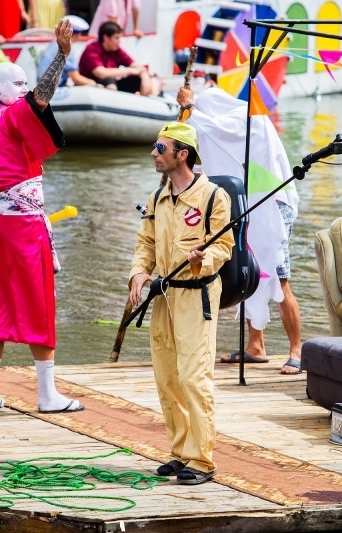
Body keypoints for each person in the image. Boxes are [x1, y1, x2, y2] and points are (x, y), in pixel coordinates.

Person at [0, 19, 84, 415]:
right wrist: (62, 55)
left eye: (24, 83)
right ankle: (47, 395)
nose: (24, 89)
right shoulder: (11, 115)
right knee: (39, 303)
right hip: (23, 226)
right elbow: (41, 98)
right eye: (17, 84)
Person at [128, 122, 234, 485]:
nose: (153, 153)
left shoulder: (214, 196)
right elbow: (146, 243)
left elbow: (224, 247)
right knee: (167, 376)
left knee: (194, 376)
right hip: (164, 295)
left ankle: (202, 459)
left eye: (160, 148)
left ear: (182, 154)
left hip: (196, 295)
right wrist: (138, 273)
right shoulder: (158, 197)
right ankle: (180, 451)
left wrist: (203, 258)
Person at [176, 87, 303, 374]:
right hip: (251, 206)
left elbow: (212, 133)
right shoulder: (232, 125)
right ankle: (256, 346)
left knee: (279, 279)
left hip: (273, 208)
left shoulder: (254, 122)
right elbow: (212, 142)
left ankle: (297, 351)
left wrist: (189, 107)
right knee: (248, 272)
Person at [78, 21, 158, 95]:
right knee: (110, 83)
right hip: (92, 86)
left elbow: (135, 66)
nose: (119, 41)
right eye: (116, 38)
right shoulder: (92, 49)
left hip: (114, 83)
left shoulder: (116, 50)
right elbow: (101, 73)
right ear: (106, 38)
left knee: (150, 81)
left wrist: (144, 75)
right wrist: (130, 70)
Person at [36, 15, 97, 87]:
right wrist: (95, 83)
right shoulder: (68, 48)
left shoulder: (54, 43)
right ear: (77, 34)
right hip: (55, 89)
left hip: (41, 86)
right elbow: (76, 79)